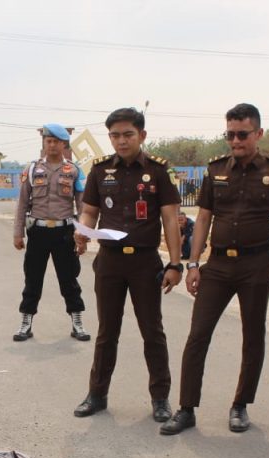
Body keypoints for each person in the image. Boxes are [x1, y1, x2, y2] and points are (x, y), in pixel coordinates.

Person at [160, 103, 269, 436]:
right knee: (198, 335)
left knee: (253, 336)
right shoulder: (216, 170)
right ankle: (186, 407)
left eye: (242, 134)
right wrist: (193, 264)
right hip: (219, 265)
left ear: (258, 134)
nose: (235, 141)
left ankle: (240, 405)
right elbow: (204, 218)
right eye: (230, 134)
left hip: (256, 265)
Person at [72, 107, 183, 423]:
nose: (121, 141)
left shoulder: (158, 171)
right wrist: (82, 234)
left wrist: (175, 264)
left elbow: (170, 220)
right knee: (107, 332)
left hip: (145, 262)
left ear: (142, 135)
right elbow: (90, 212)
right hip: (109, 262)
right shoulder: (99, 171)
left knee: (152, 331)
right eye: (115, 135)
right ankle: (97, 394)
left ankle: (160, 398)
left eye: (128, 135)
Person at [12, 123, 89, 342]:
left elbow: (82, 206)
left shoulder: (74, 170)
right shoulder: (32, 169)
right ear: (44, 143)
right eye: (48, 141)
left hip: (65, 233)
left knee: (69, 279)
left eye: (56, 141)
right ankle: (26, 323)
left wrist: (83, 236)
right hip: (38, 232)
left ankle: (77, 321)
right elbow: (22, 202)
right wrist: (18, 233)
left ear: (64, 144)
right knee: (32, 279)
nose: (52, 145)